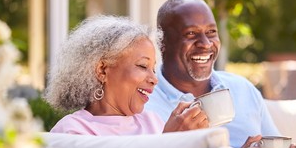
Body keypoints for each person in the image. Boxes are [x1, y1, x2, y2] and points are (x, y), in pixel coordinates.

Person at [144, 0, 296, 148]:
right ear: (162, 42)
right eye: (191, 33)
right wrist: (170, 142)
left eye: (211, 32)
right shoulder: (143, 102)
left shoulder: (243, 90)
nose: (205, 43)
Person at [44, 14, 209, 135]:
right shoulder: (73, 130)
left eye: (153, 69)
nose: (154, 79)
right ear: (102, 70)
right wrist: (169, 140)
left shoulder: (152, 122)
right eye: (142, 66)